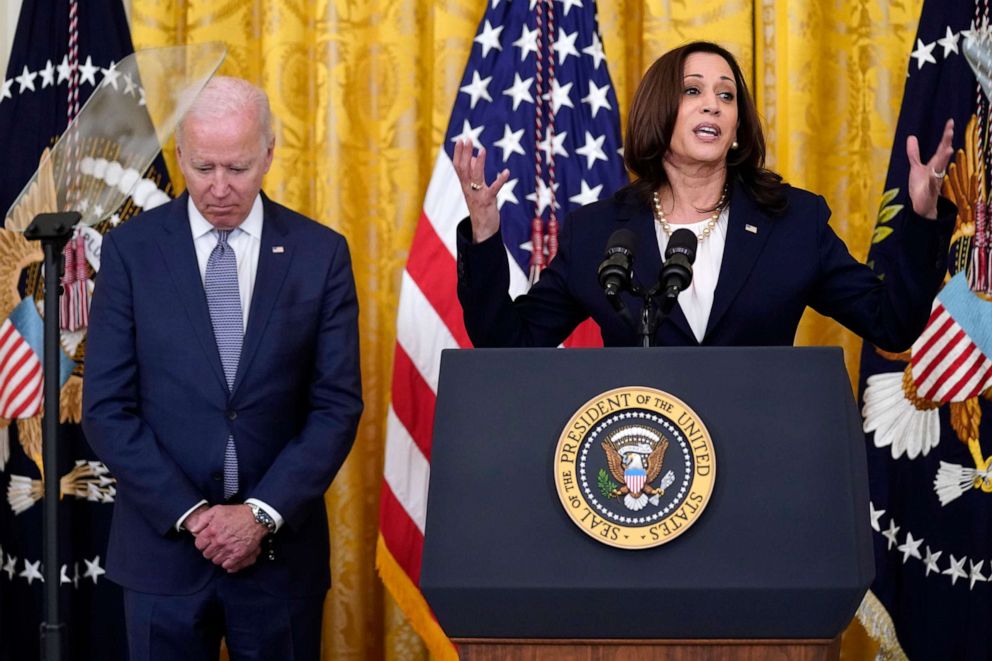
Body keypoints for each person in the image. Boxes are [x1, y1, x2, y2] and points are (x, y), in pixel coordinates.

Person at [82, 76, 363, 660]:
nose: (218, 188)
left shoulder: (321, 254)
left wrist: (260, 514)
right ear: (180, 154)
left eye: (236, 168)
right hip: (162, 555)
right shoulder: (131, 252)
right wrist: (194, 516)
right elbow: (107, 408)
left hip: (280, 558)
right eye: (202, 167)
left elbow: (336, 405)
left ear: (268, 155)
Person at [453, 41, 955, 349]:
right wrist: (484, 232)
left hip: (763, 468)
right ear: (658, 112)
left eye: (726, 95)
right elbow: (509, 341)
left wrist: (923, 217)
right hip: (641, 478)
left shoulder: (793, 222)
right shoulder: (597, 232)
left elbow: (890, 324)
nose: (712, 105)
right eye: (692, 91)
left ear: (736, 126)